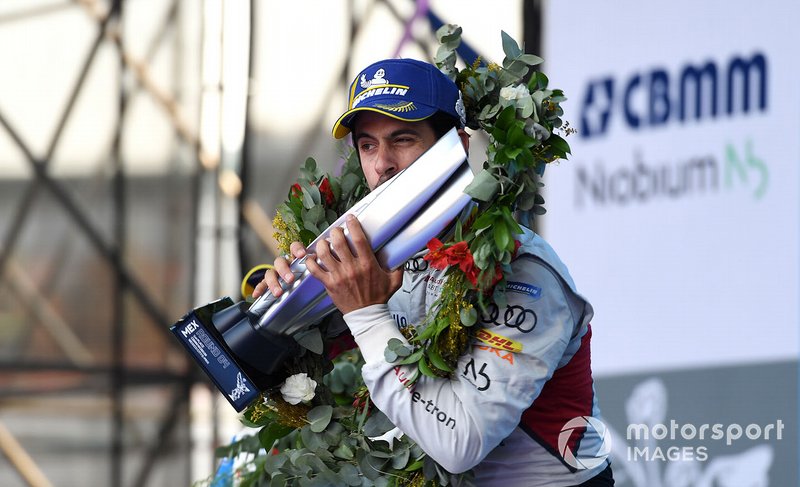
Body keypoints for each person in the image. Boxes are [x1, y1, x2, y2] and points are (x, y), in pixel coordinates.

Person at [253, 58, 614, 486]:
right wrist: (279, 313)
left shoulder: (523, 272)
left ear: (458, 145)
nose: (382, 163)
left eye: (402, 139)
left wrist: (367, 314)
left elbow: (460, 443)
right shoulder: (382, 256)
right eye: (367, 145)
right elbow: (296, 367)